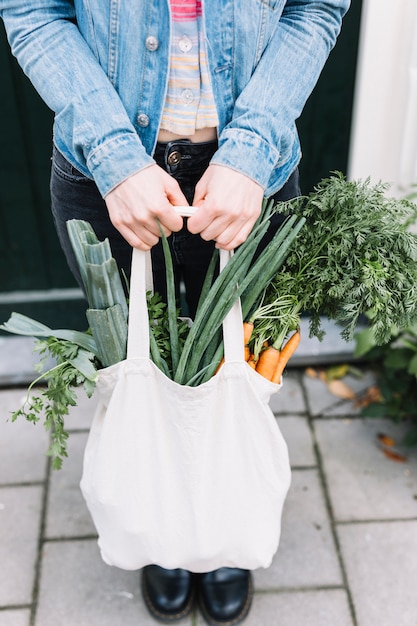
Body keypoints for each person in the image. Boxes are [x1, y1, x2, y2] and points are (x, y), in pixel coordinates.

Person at [1, 0, 350, 623]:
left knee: (238, 361)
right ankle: (161, 520)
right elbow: (32, 10)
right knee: (142, 354)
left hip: (252, 175)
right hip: (107, 177)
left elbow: (316, 6)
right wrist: (114, 156)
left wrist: (251, 149)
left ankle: (223, 523)